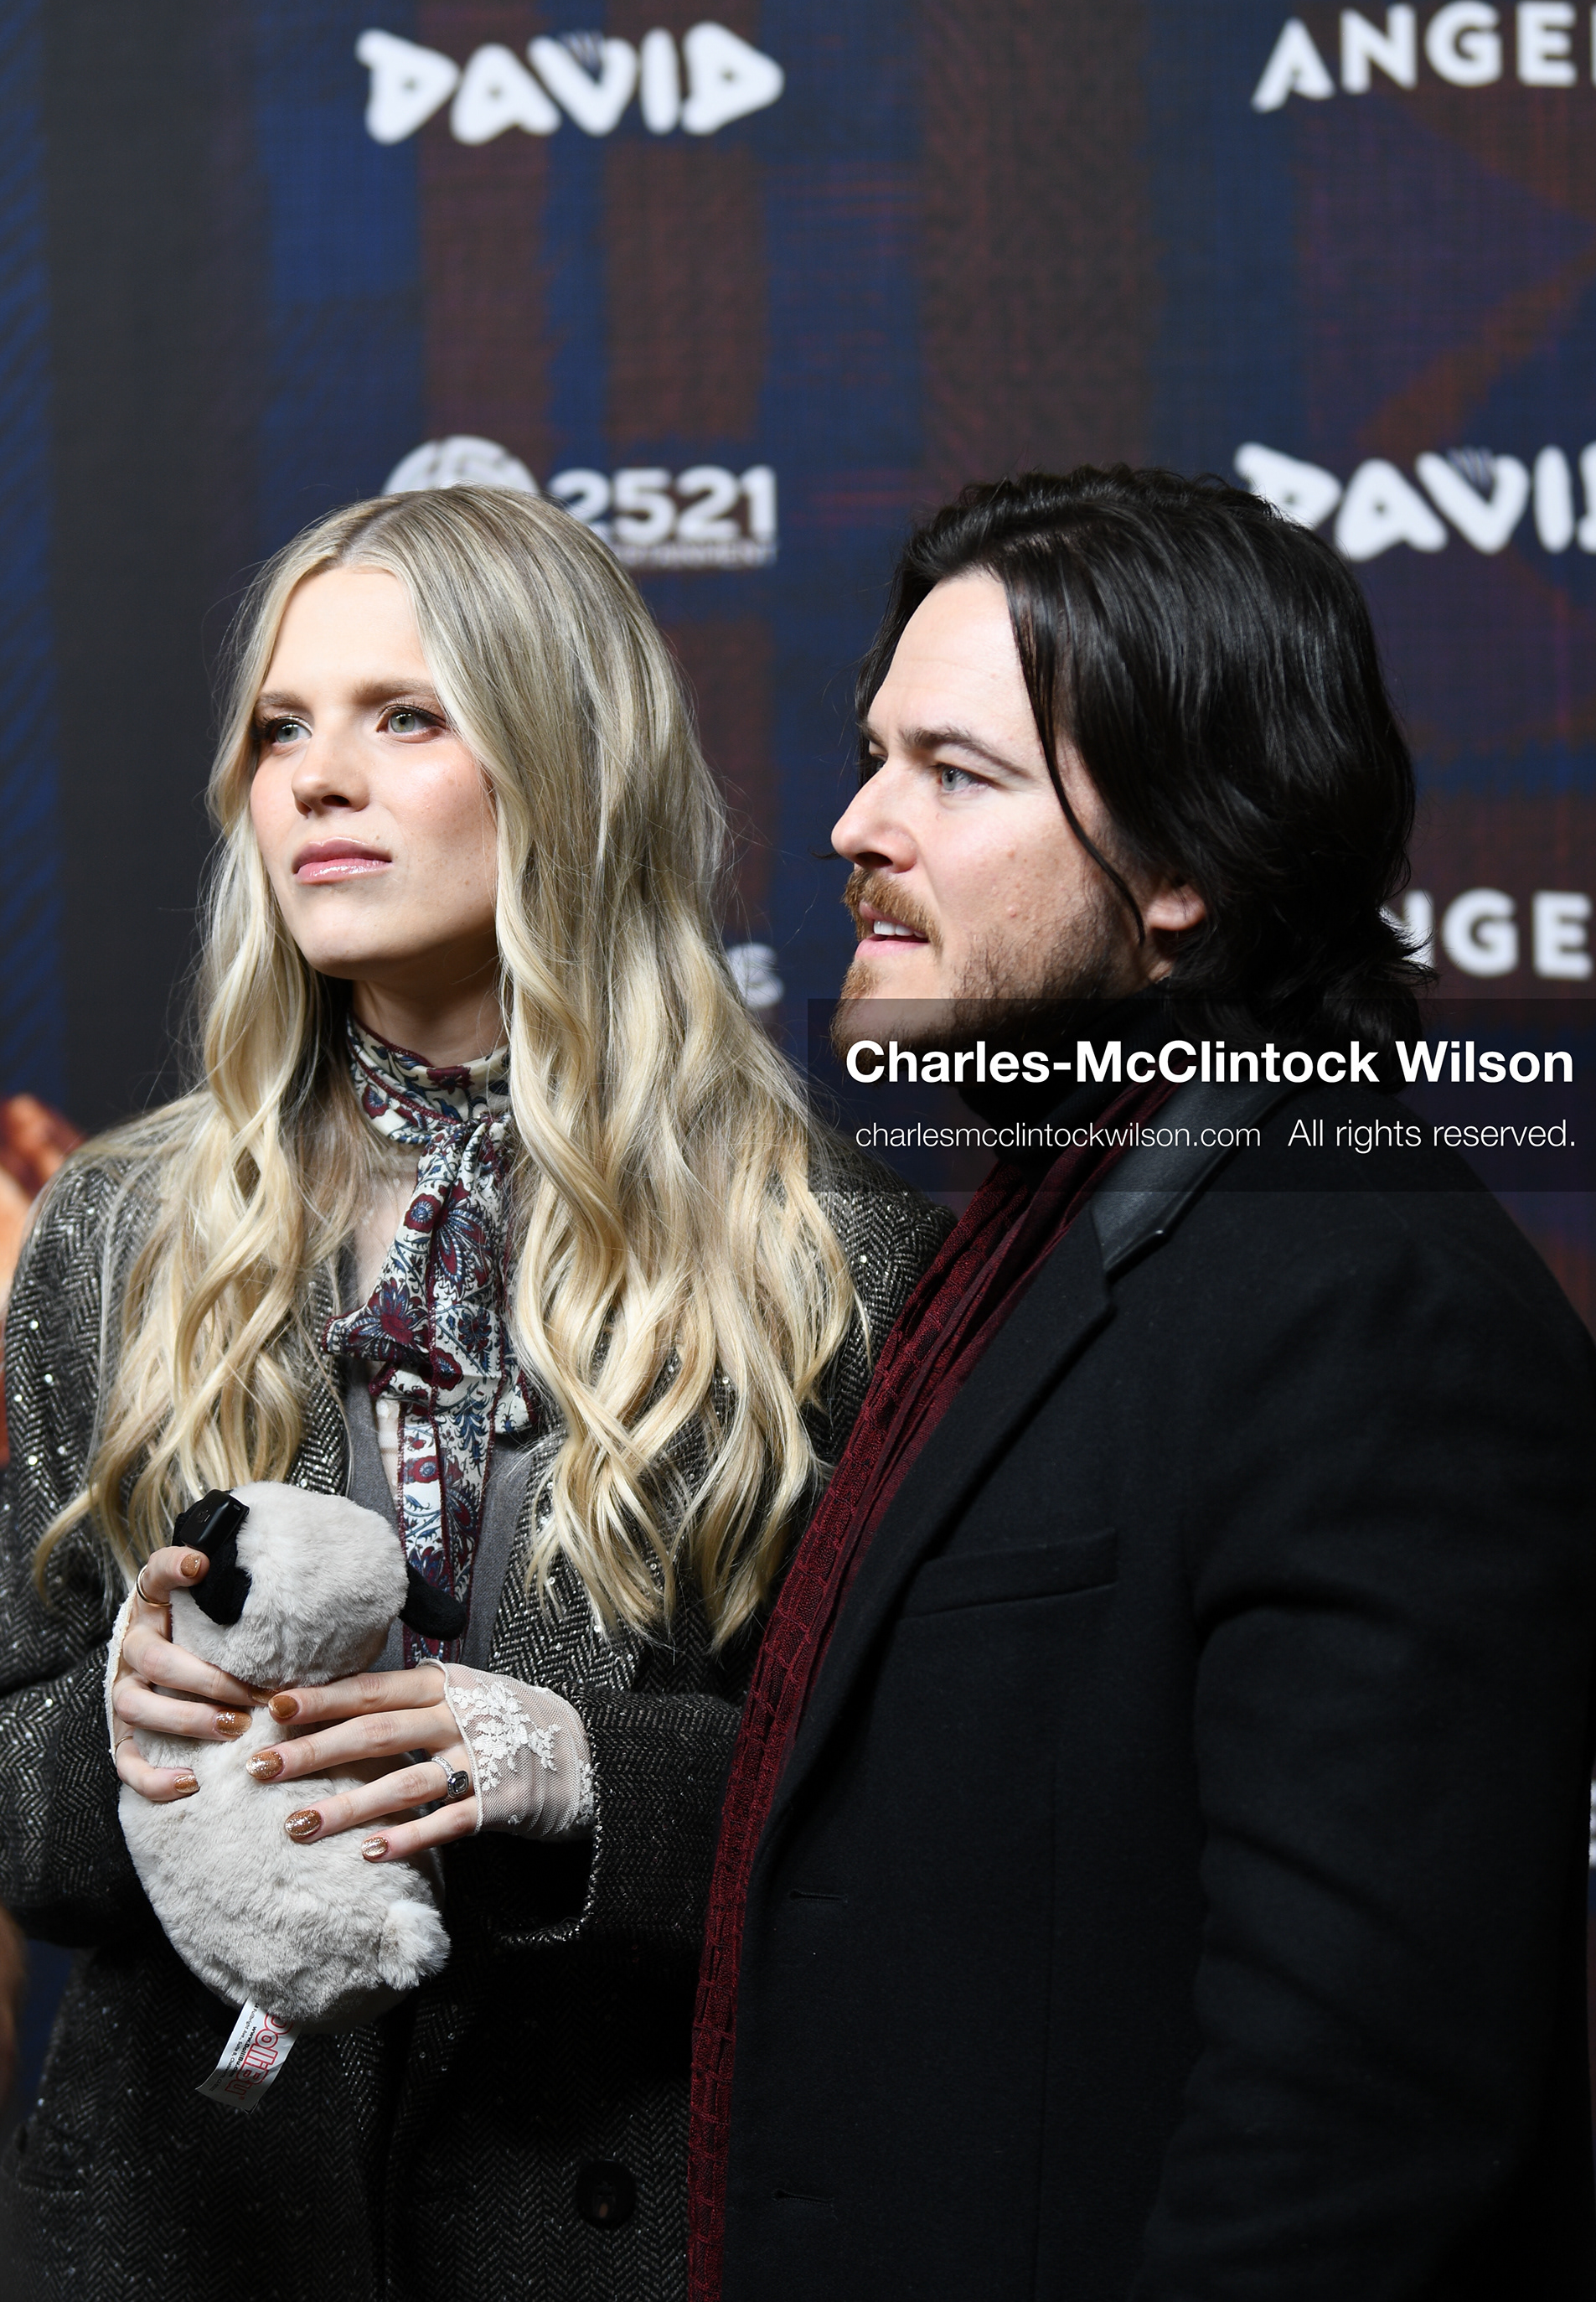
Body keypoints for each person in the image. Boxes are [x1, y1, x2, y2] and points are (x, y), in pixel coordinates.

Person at [0, 485, 948, 2302]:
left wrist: (581, 1773)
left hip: (623, 2224)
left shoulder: (832, 1251)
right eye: (283, 728)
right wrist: (114, 1745)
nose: (316, 781)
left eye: (405, 718)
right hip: (192, 2233)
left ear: (565, 768)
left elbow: (910, 1815)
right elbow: (14, 1786)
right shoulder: (115, 1228)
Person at [690, 468, 1596, 2301]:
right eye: (876, 757)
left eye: (958, 775)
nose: (859, 825)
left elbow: (1348, 2143)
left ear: (1186, 867)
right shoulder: (1040, 1245)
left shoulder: (1366, 1303)